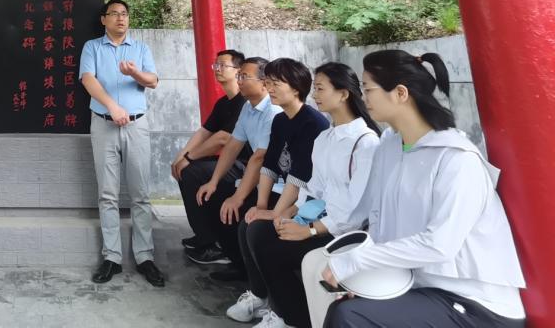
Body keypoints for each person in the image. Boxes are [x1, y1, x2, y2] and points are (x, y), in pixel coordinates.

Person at [314, 50, 526, 328]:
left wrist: (357, 261)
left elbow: (440, 245)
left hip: (477, 304)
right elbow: (378, 222)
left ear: (400, 93)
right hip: (420, 287)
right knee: (347, 307)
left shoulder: (456, 158)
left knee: (349, 316)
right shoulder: (389, 147)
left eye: (368, 89)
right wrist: (368, 276)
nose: (363, 98)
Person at [230, 62, 377, 328]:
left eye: (320, 88)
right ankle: (283, 312)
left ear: (343, 94)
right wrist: (288, 213)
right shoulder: (326, 138)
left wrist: (309, 230)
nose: (315, 95)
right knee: (260, 229)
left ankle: (291, 318)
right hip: (317, 217)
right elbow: (311, 188)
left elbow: (355, 212)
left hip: (342, 231)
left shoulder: (365, 142)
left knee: (270, 245)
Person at [79, 0, 165, 288]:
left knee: (140, 194)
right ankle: (112, 257)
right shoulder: (92, 47)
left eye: (125, 13)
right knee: (107, 194)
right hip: (103, 124)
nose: (120, 18)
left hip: (137, 125)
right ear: (103, 19)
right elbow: (88, 80)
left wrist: (134, 73)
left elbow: (152, 80)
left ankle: (145, 257)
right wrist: (112, 106)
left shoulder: (140, 48)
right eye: (114, 13)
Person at [196, 57, 281, 283]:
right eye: (239, 75)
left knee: (238, 209)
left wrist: (237, 197)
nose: (239, 80)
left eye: (244, 76)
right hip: (258, 177)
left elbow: (259, 157)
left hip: (277, 184)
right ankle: (238, 264)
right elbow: (233, 145)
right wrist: (214, 181)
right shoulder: (247, 107)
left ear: (264, 83)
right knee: (212, 197)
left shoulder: (272, 111)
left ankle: (256, 279)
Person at [174, 48, 249, 264]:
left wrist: (189, 159)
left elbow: (223, 138)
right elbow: (204, 132)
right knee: (184, 169)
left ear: (238, 71)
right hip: (230, 162)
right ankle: (204, 234)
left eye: (222, 65)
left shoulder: (244, 102)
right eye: (215, 65)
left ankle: (212, 244)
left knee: (191, 171)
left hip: (245, 165)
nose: (217, 69)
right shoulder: (223, 102)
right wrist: (180, 157)